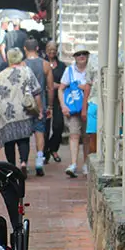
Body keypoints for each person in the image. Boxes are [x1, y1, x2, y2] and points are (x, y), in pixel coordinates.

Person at [0, 47, 44, 178]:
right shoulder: (27, 71)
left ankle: (12, 167)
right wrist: (40, 109)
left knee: (9, 140)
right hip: (23, 109)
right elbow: (36, 92)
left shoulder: (2, 74)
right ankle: (24, 162)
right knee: (23, 138)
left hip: (6, 111)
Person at [58, 44, 91, 178]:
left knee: (87, 137)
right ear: (75, 57)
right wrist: (63, 106)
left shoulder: (91, 69)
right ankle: (73, 164)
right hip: (74, 109)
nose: (81, 56)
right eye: (78, 54)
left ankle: (86, 164)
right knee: (74, 135)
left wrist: (87, 87)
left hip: (89, 107)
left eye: (84, 53)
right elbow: (61, 88)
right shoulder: (69, 71)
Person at [23, 38, 54, 177]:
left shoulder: (22, 65)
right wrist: (50, 106)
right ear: (37, 49)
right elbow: (50, 87)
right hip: (40, 101)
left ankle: (23, 160)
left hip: (25, 104)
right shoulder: (46, 65)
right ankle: (39, 159)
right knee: (40, 131)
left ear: (25, 49)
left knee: (24, 133)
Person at [44, 41, 67, 163]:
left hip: (58, 98)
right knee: (45, 128)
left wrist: (55, 85)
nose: (51, 52)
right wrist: (49, 86)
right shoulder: (42, 64)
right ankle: (44, 152)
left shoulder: (62, 66)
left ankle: (53, 148)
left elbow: (65, 82)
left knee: (58, 126)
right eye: (49, 49)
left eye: (54, 49)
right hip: (44, 99)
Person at [84, 53, 99, 170]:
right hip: (94, 101)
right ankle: (92, 168)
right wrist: (84, 107)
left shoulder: (122, 56)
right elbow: (88, 84)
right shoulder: (93, 58)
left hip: (116, 103)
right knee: (92, 136)